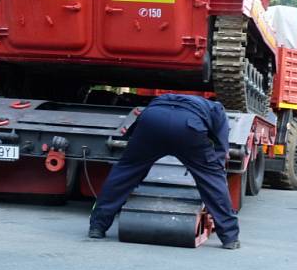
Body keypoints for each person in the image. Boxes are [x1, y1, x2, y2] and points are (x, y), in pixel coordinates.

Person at [88, 93, 241, 249]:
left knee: (124, 173)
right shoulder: (217, 109)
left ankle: (97, 227)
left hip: (152, 121)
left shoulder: (165, 99)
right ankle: (229, 238)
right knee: (212, 180)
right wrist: (215, 169)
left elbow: (139, 122)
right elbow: (222, 148)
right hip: (188, 127)